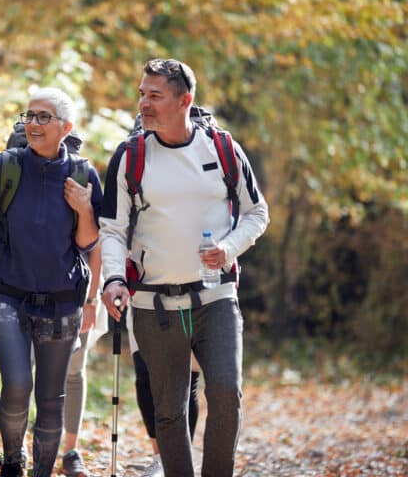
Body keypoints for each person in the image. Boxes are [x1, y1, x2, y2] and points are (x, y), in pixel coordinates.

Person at [99, 58, 270, 477]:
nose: (144, 103)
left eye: (155, 95)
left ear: (184, 101)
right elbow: (112, 229)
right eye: (142, 93)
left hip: (216, 297)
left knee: (227, 392)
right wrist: (114, 278)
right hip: (154, 305)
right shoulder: (131, 156)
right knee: (170, 411)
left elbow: (256, 212)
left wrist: (229, 248)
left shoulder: (223, 148)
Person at [0, 87, 103, 477]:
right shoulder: (5, 167)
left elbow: (88, 241)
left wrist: (84, 208)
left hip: (62, 300)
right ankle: (13, 463)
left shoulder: (83, 174)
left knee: (51, 399)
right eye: (29, 116)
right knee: (17, 384)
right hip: (7, 295)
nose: (33, 124)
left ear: (66, 127)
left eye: (43, 117)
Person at [127, 306, 200, 477]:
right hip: (143, 299)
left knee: (187, 379)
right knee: (145, 376)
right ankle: (160, 457)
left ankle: (181, 457)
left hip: (191, 300)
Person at [59, 247, 108, 477]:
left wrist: (91, 299)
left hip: (81, 285)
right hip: (34, 282)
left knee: (74, 371)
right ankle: (18, 449)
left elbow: (97, 244)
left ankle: (70, 451)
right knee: (28, 367)